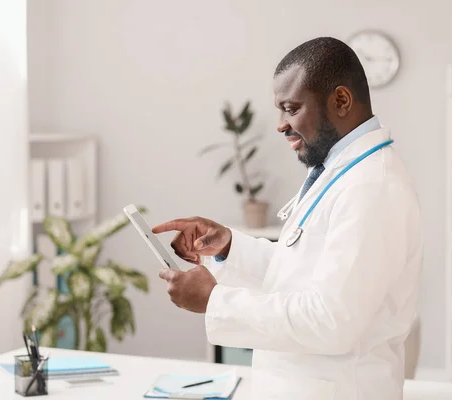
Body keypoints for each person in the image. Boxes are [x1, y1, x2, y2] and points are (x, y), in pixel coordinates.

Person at [152, 37, 423, 400]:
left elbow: (331, 321)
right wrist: (230, 246)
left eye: (292, 109)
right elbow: (303, 273)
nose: (280, 125)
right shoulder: (341, 172)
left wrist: (215, 301)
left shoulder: (373, 185)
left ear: (341, 100)